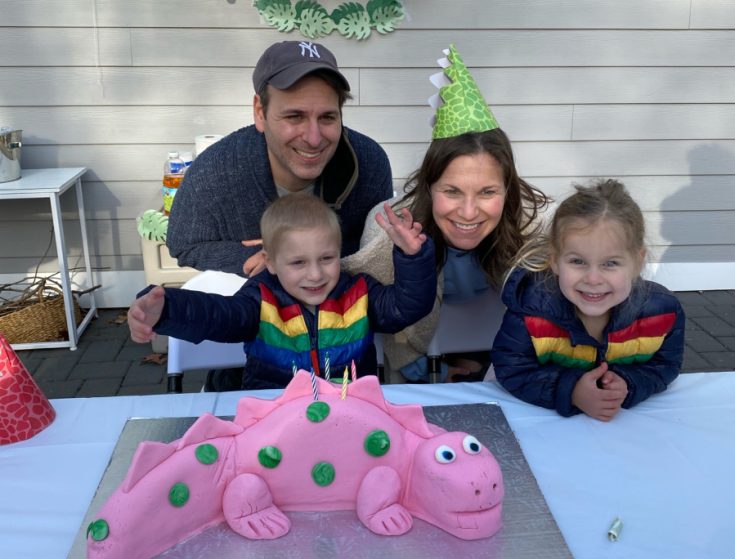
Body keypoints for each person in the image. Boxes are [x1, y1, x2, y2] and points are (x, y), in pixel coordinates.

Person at [343, 45, 549, 383]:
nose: (468, 212)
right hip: (416, 375)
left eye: (487, 192)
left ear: (508, 189)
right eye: (452, 191)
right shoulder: (386, 228)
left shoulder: (532, 227)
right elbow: (384, 323)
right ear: (429, 186)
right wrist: (422, 369)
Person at [129, 194, 436, 389]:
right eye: (298, 262)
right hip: (273, 421)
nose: (315, 274)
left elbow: (407, 307)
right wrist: (167, 309)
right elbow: (218, 316)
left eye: (327, 259)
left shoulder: (359, 292)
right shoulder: (260, 299)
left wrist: (412, 258)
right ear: (271, 264)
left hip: (350, 415)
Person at [166, 40, 393, 277]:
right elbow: (183, 243)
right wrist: (260, 258)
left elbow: (377, 246)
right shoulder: (213, 171)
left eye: (327, 117)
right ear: (260, 112)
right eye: (295, 116)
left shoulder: (369, 163)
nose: (314, 139)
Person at [491, 179, 685, 421]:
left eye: (610, 263)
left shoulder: (662, 314)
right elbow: (512, 369)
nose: (593, 279)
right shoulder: (531, 313)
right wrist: (571, 391)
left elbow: (664, 365)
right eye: (578, 261)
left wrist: (629, 383)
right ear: (555, 260)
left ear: (637, 262)